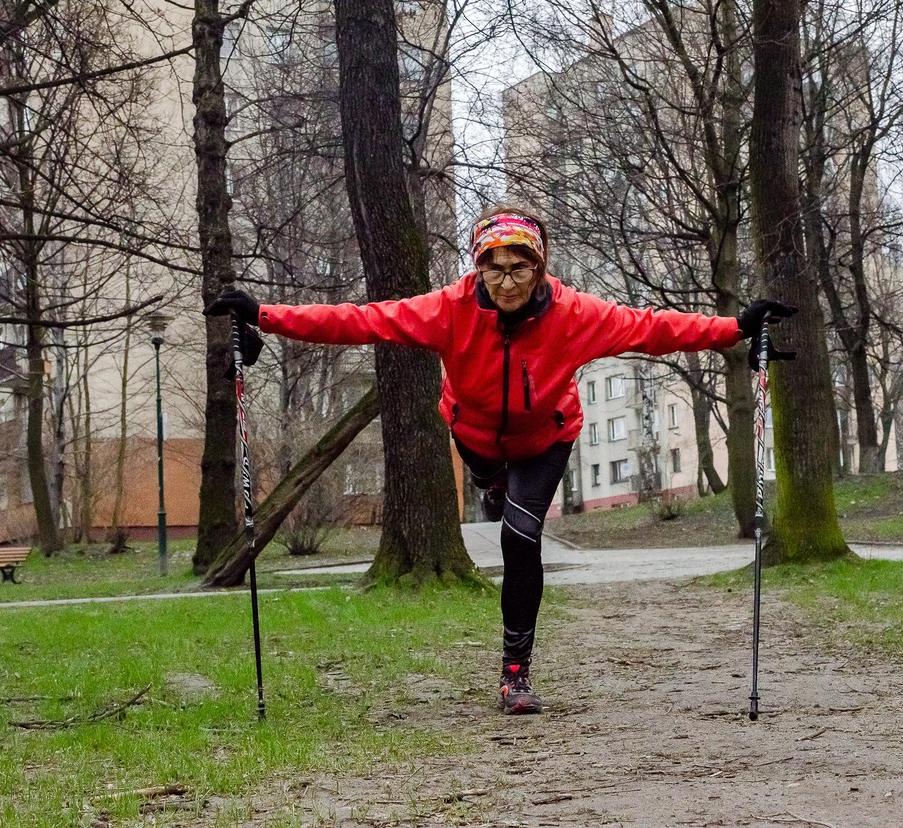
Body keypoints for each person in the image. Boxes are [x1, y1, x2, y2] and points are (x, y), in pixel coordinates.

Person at [205, 205, 796, 715]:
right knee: (498, 495)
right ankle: (494, 488)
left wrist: (735, 329)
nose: (506, 282)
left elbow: (653, 328)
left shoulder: (575, 314)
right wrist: (265, 315)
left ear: (540, 267)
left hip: (545, 440)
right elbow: (361, 320)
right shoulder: (449, 309)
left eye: (519, 267)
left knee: (520, 536)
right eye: (493, 266)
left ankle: (516, 672)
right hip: (477, 439)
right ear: (477, 266)